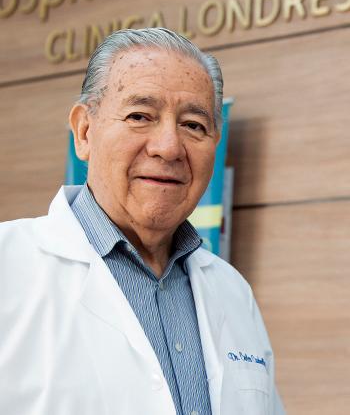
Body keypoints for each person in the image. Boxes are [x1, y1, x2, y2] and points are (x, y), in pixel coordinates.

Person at [0, 28, 285, 415]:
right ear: (84, 132)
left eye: (193, 125)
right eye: (140, 116)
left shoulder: (232, 292)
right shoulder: (8, 267)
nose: (168, 147)